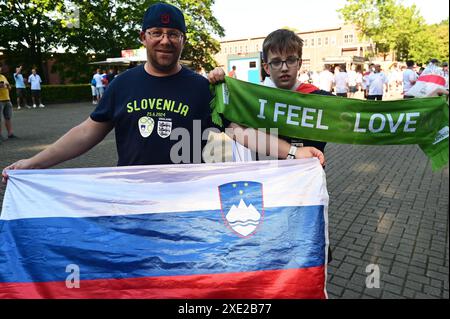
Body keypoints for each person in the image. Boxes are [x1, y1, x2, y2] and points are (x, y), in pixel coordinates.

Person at [3, 3, 324, 183]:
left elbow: (241, 132)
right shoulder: (122, 85)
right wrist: (33, 163)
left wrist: (294, 153)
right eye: (157, 32)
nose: (165, 40)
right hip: (132, 198)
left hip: (188, 200)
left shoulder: (203, 88)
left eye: (173, 33)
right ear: (144, 37)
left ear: (183, 39)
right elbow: (86, 132)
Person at [0, 65, 17, 140]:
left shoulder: (3, 76)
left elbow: (9, 88)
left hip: (7, 99)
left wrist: (7, 86)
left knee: (8, 117)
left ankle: (10, 134)